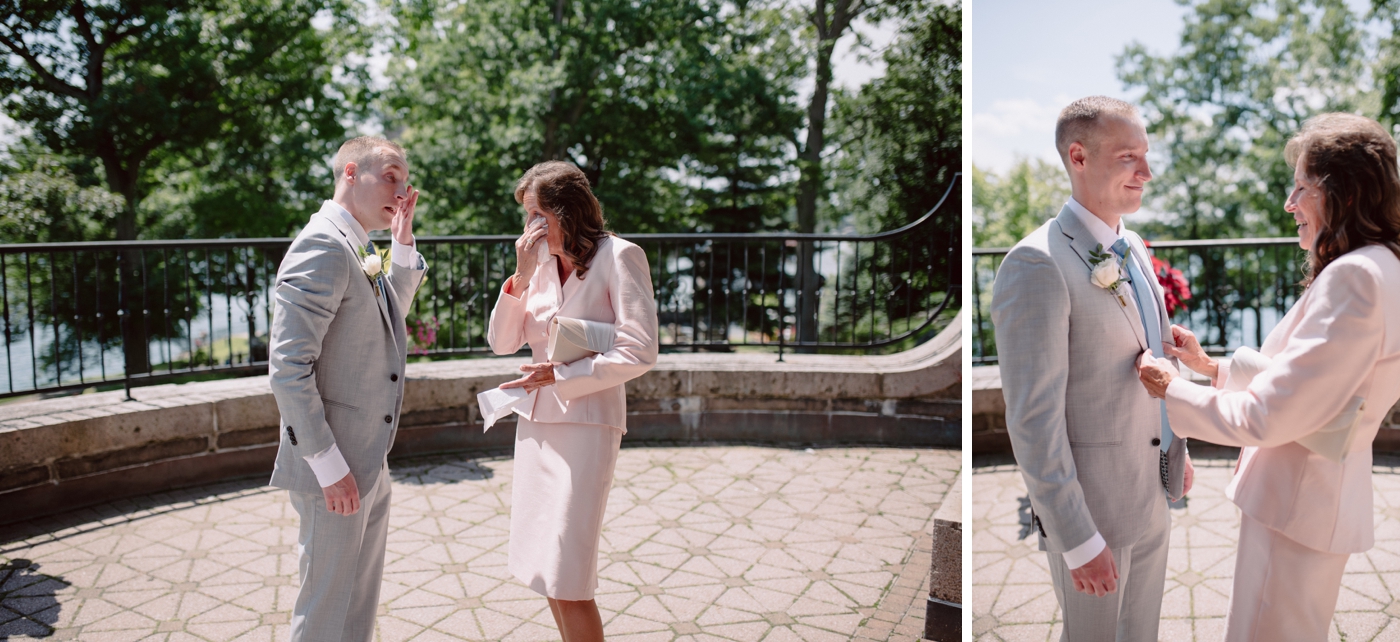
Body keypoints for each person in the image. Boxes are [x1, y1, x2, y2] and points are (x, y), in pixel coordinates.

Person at [1138, 112, 1400, 641]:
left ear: (1339, 194)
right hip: (1316, 497)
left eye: (1300, 187)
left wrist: (1172, 390)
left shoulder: (1355, 278)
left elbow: (1271, 415)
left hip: (1297, 505)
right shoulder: (1384, 265)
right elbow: (1320, 389)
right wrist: (1214, 369)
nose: (1289, 204)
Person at [990, 96, 1193, 641]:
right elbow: (1033, 421)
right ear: (1078, 157)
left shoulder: (1133, 247)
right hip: (1093, 512)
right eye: (1130, 157)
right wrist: (1077, 539)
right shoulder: (1036, 263)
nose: (1147, 172)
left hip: (1153, 494)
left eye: (1146, 155)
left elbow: (1153, 361)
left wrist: (1178, 449)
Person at [487, 160, 658, 641]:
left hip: (587, 425)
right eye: (527, 216)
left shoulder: (620, 256)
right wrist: (519, 277)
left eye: (537, 213)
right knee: (546, 567)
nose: (530, 227)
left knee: (570, 572)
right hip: (537, 428)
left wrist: (562, 373)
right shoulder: (537, 264)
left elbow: (640, 349)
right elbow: (502, 342)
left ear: (566, 210)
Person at [267, 136, 426, 642]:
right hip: (333, 463)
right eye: (392, 175)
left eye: (405, 179)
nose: (402, 189)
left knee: (357, 604)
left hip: (368, 456)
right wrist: (329, 467)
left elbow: (383, 324)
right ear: (352, 172)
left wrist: (401, 245)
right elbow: (288, 367)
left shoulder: (357, 242)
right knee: (324, 612)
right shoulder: (322, 244)